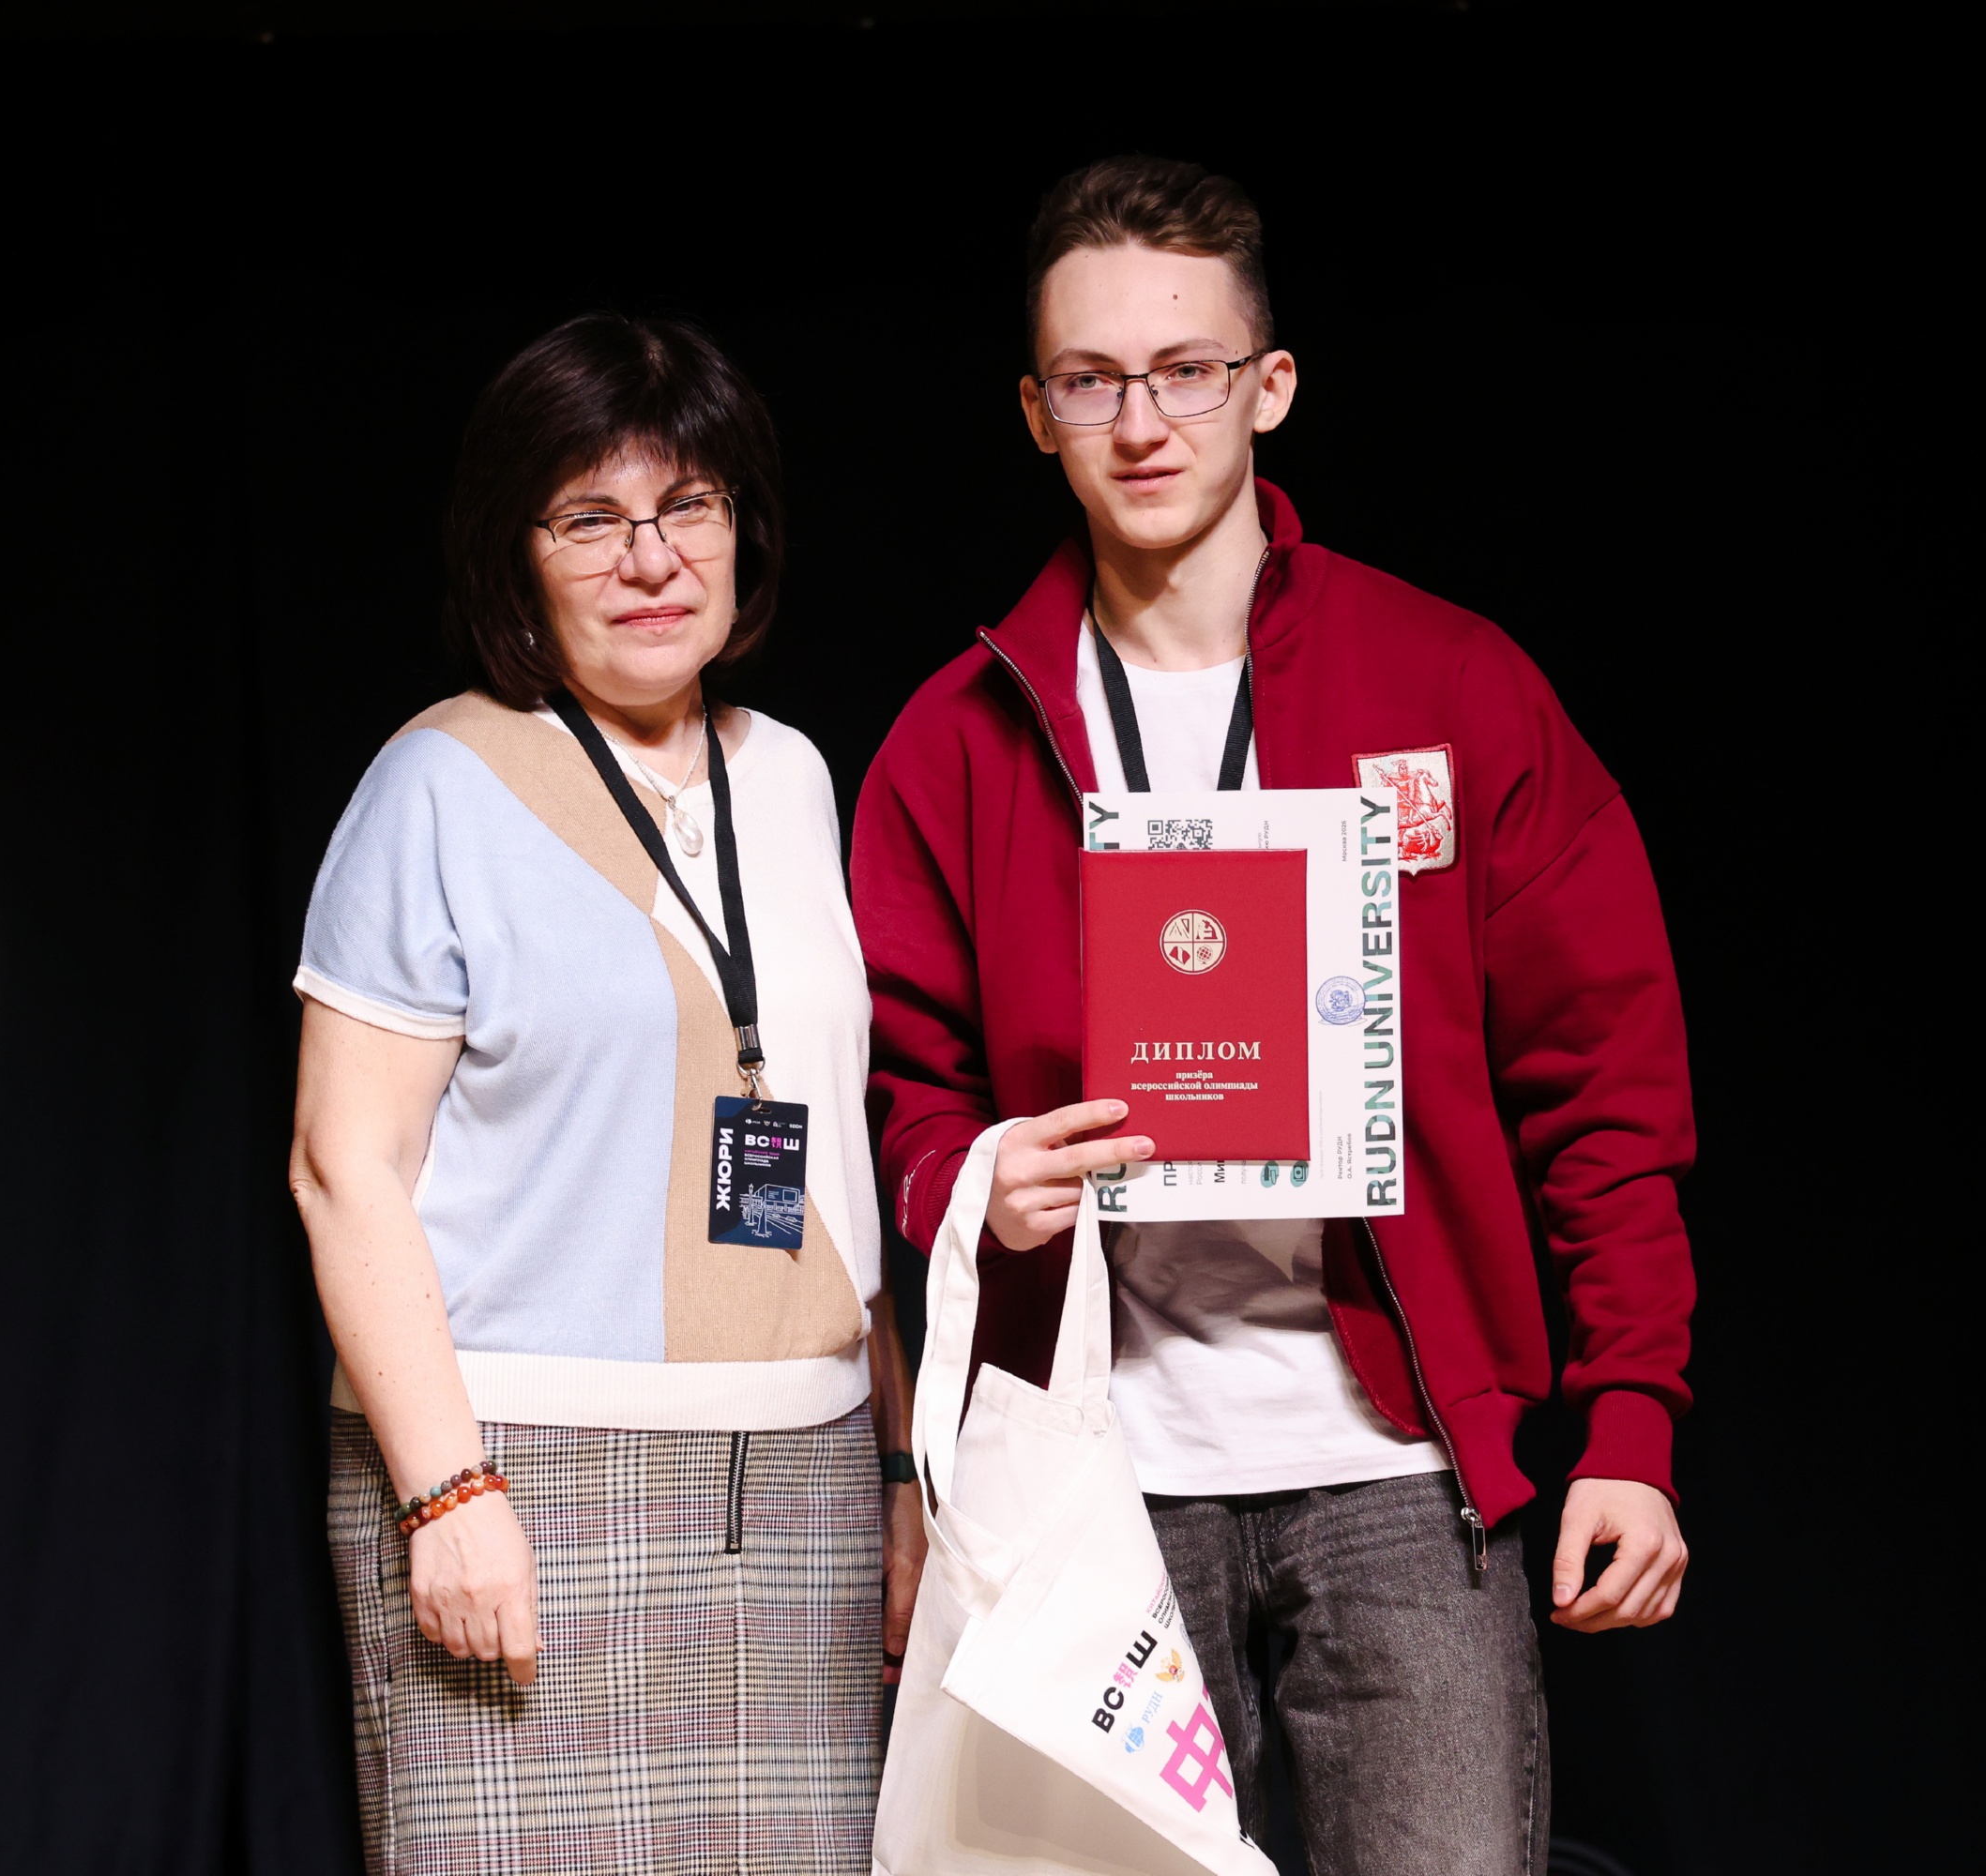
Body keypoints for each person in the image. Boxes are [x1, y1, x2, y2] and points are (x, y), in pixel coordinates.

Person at [852, 158, 1695, 1875]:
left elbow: (1601, 1079)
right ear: (1035, 411)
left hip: (1398, 1467)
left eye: (1188, 370)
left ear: (1271, 385)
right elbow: (905, 1095)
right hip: (1095, 1474)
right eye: (1091, 379)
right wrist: (982, 1184)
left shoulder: (1448, 686)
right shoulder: (957, 738)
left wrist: (1632, 1419)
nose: (1141, 422)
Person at [289, 313, 925, 1874]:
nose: (650, 559)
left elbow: (831, 1165)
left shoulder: (794, 776)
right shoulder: (436, 782)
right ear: (516, 556)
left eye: (687, 505)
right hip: (517, 1478)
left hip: (804, 1489)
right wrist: (446, 1493)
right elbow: (341, 1169)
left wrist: (899, 1474)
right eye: (590, 517)